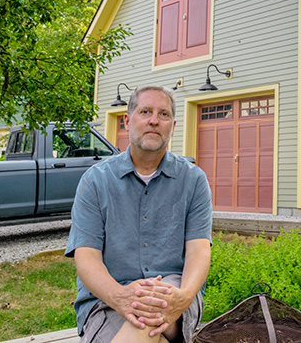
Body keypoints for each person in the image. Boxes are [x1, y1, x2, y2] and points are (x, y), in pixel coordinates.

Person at [65, 85, 213, 343]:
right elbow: (86, 256)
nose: (154, 120)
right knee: (148, 319)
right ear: (127, 120)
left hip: (175, 299)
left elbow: (199, 250)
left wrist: (186, 295)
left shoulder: (193, 180)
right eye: (145, 111)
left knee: (152, 308)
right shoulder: (96, 181)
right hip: (107, 299)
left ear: (173, 125)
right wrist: (121, 297)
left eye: (164, 114)